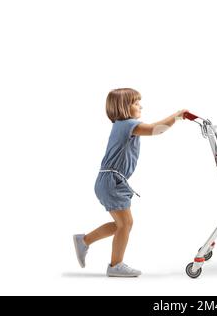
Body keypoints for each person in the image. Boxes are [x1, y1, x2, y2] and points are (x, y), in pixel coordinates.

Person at [73, 87, 188, 277]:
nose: (140, 106)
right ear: (124, 107)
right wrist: (177, 116)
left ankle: (84, 241)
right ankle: (115, 265)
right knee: (125, 224)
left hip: (110, 180)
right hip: (111, 181)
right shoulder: (128, 124)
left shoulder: (122, 125)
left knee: (122, 224)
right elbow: (155, 130)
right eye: (136, 103)